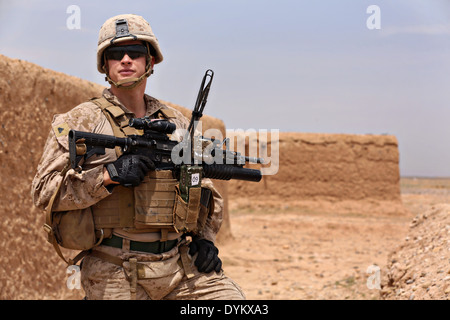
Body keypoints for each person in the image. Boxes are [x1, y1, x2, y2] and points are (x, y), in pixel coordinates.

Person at [31, 14, 245, 300]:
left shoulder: (176, 123)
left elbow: (203, 189)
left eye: (136, 53)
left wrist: (204, 241)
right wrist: (108, 176)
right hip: (114, 269)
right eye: (116, 53)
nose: (126, 60)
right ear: (105, 64)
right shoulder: (80, 121)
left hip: (179, 266)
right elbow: (43, 193)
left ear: (150, 62)